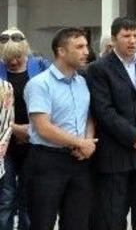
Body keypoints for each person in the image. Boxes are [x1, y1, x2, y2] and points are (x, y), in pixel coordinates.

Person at [86, 17, 136, 230]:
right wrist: (133, 136)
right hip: (114, 154)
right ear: (113, 39)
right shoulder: (98, 69)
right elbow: (103, 110)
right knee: (112, 216)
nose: (132, 41)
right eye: (126, 36)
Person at [24, 27, 98, 230]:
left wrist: (88, 142)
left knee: (77, 223)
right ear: (61, 51)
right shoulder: (40, 84)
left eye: (86, 46)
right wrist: (79, 142)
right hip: (47, 162)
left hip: (79, 161)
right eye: (80, 46)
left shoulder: (81, 82)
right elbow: (43, 127)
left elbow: (88, 117)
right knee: (42, 223)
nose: (86, 52)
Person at [0, 28, 50, 230]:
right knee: (6, 198)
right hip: (5, 143)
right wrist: (13, 128)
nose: (13, 62)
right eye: (7, 58)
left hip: (35, 141)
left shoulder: (42, 67)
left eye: (18, 57)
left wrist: (32, 130)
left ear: (26, 52)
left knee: (29, 199)